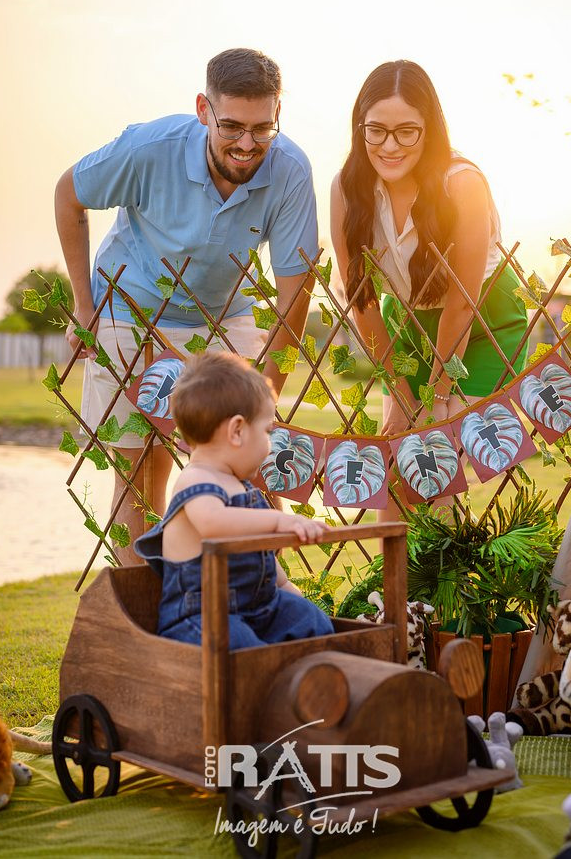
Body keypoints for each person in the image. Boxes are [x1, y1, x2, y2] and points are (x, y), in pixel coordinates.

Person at [55, 48, 319, 565]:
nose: (247, 144)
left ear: (278, 115)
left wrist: (265, 400)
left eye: (262, 128)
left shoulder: (290, 169)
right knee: (140, 472)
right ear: (204, 109)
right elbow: (69, 194)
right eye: (232, 126)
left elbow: (295, 292)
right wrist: (84, 306)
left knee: (253, 467)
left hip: (225, 311)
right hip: (131, 304)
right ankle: (144, 608)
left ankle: (258, 599)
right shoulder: (148, 148)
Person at [330, 60, 528, 436]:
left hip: (482, 320)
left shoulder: (463, 184)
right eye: (376, 130)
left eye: (406, 131)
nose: (390, 146)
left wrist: (437, 396)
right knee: (401, 452)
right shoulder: (345, 189)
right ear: (360, 128)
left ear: (429, 130)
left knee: (444, 448)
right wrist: (401, 395)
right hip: (406, 324)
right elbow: (363, 301)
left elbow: (463, 302)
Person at [133, 352, 335, 649]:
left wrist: (290, 593)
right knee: (241, 647)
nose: (270, 445)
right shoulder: (195, 478)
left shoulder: (241, 488)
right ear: (237, 431)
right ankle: (267, 673)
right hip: (202, 616)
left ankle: (310, 671)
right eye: (267, 431)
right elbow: (214, 523)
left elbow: (263, 561)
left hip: (258, 607)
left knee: (312, 621)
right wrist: (280, 520)